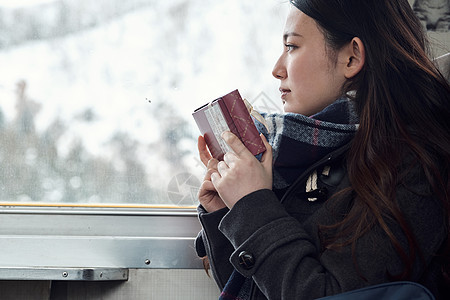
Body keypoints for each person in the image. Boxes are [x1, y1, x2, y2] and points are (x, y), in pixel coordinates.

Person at [194, 0, 450, 299]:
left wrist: (252, 204)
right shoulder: (303, 159)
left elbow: (324, 294)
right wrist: (228, 211)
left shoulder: (415, 164)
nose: (276, 69)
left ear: (352, 58)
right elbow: (257, 289)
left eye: (291, 46)